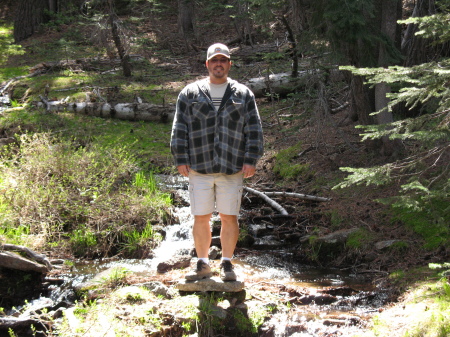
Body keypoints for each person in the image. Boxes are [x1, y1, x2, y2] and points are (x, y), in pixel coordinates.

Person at [170, 43, 264, 282]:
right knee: (200, 216)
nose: (218, 64)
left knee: (229, 216)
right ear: (207, 64)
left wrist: (251, 159)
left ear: (229, 64)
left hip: (231, 167)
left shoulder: (243, 94)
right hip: (198, 167)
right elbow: (179, 128)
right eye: (214, 60)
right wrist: (181, 158)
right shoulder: (189, 94)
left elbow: (253, 129)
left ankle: (227, 263)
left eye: (223, 60)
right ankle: (202, 263)